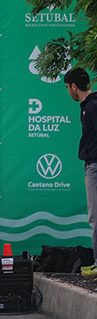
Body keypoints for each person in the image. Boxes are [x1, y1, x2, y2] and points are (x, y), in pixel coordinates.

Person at [66, 68, 97, 276]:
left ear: (74, 87)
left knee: (95, 218)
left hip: (95, 165)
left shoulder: (92, 106)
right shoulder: (89, 105)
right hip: (92, 164)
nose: (69, 93)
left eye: (68, 88)